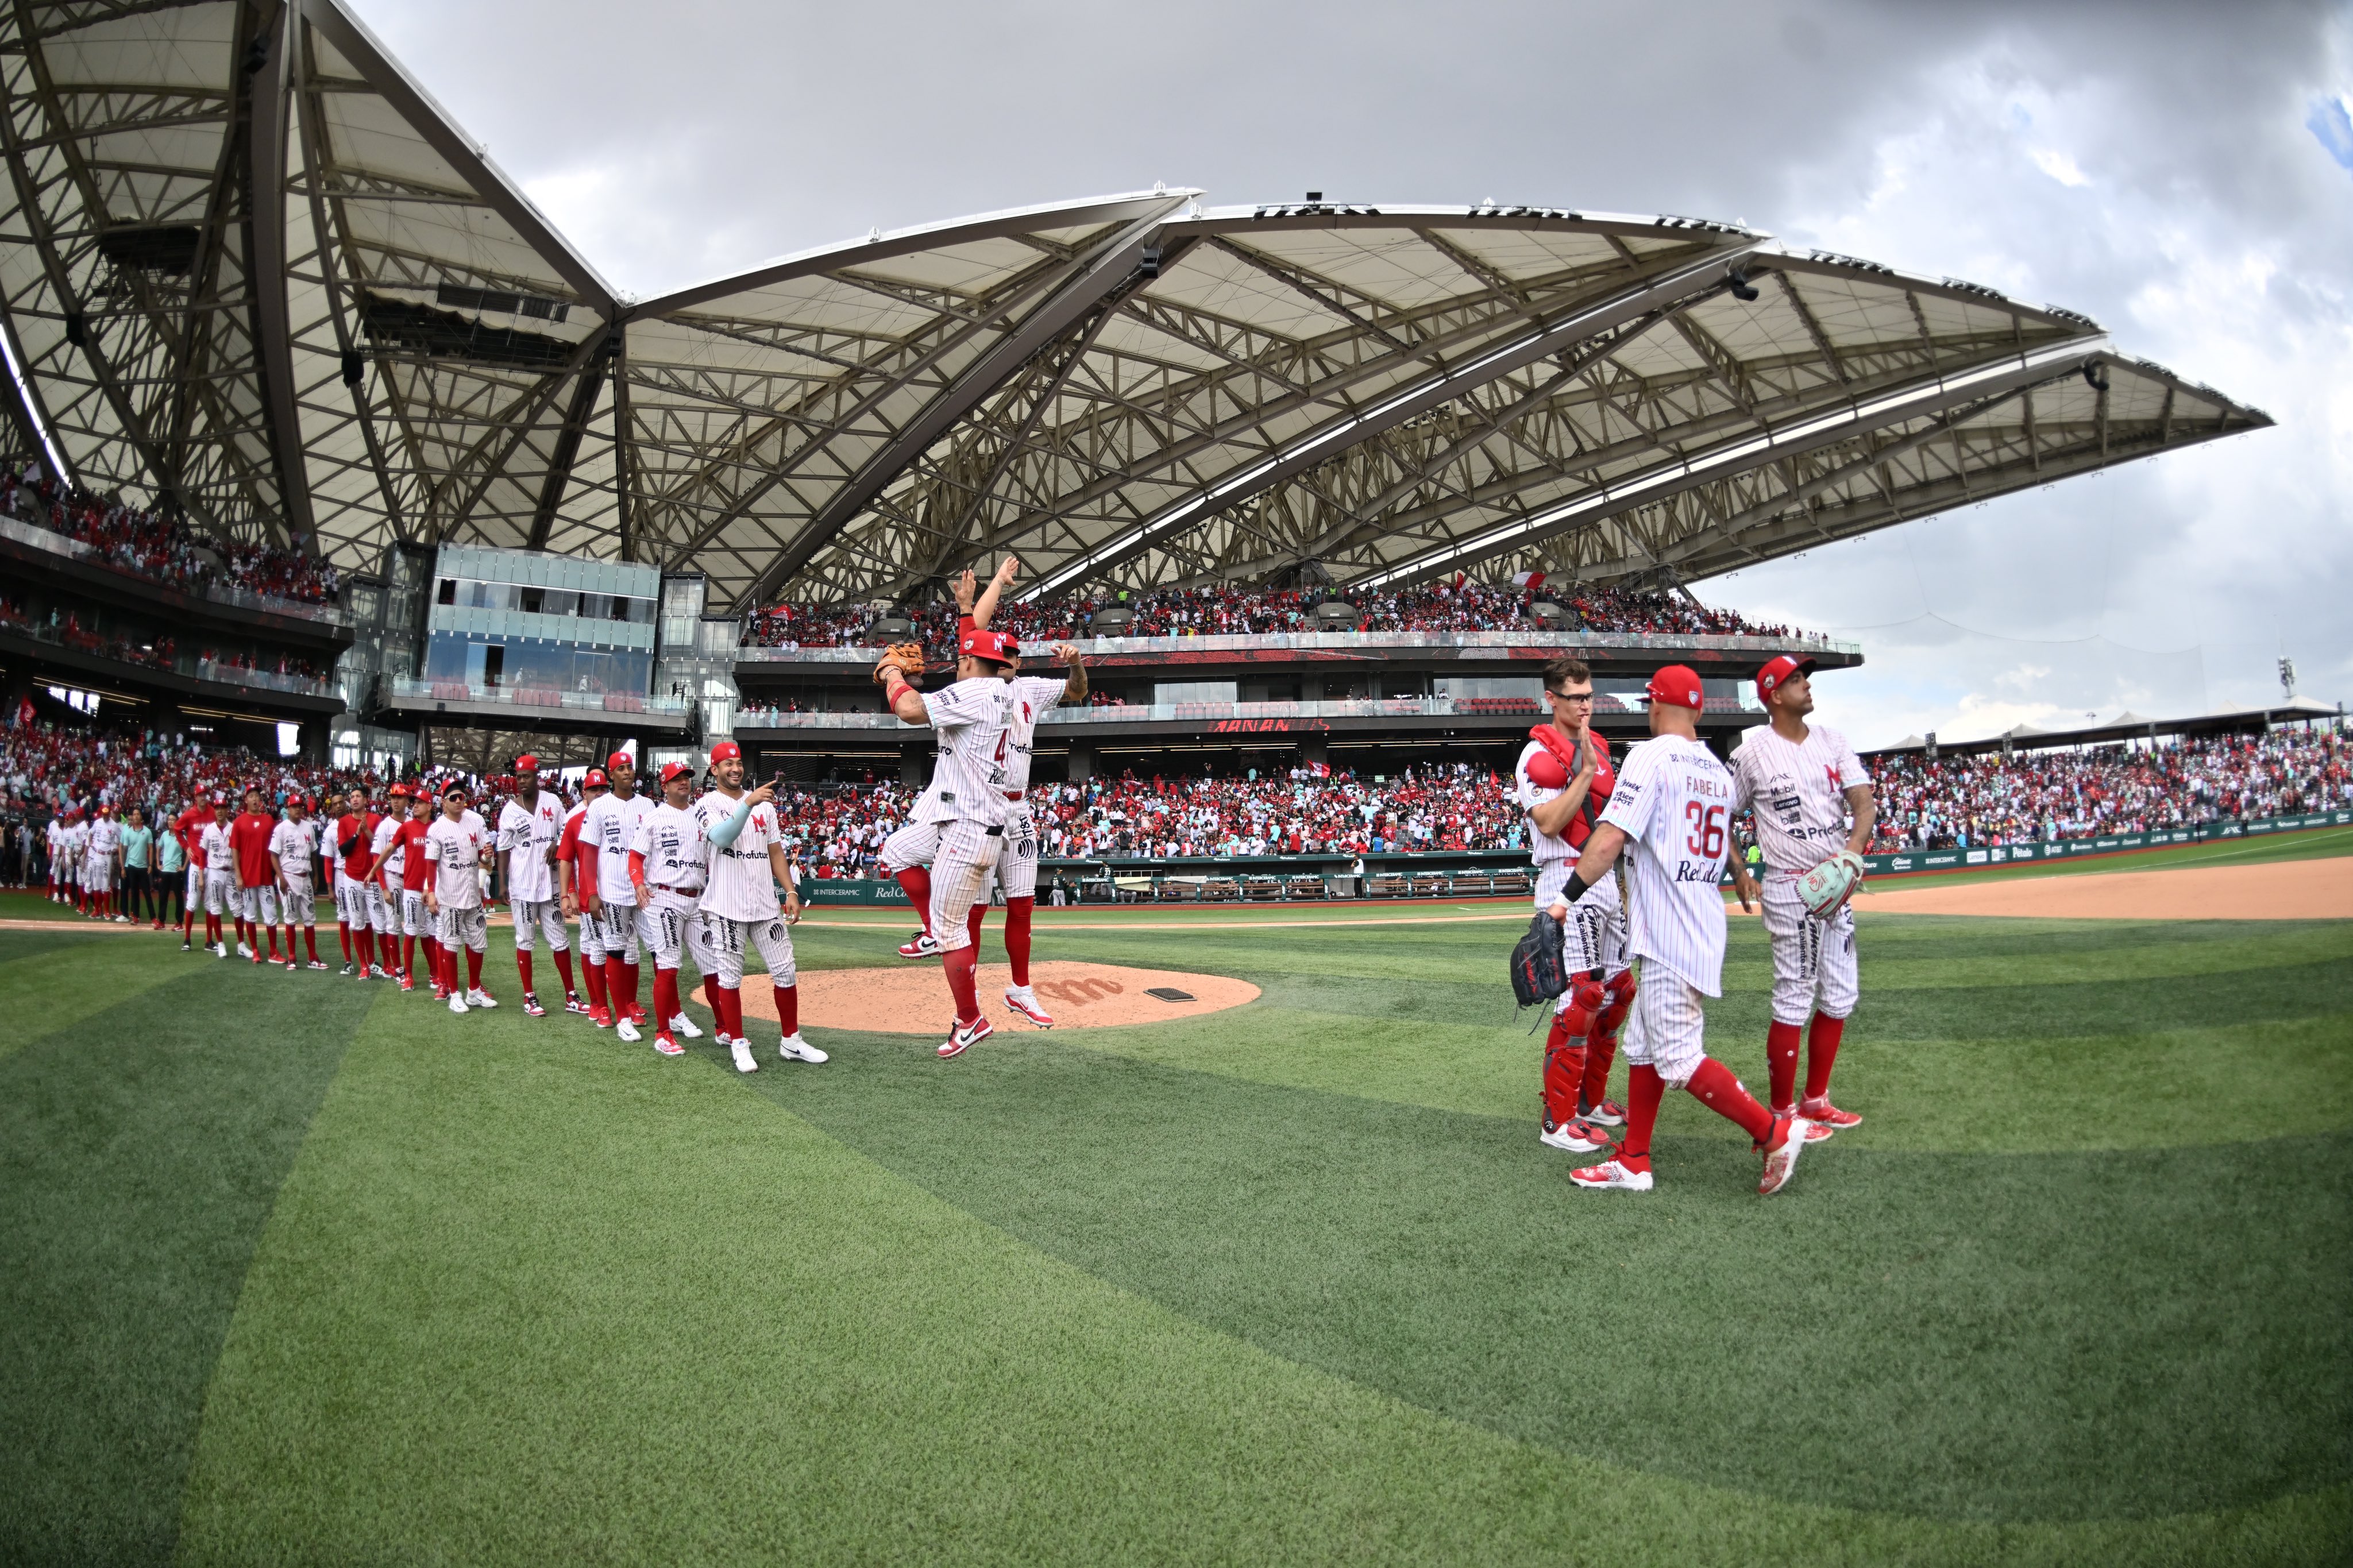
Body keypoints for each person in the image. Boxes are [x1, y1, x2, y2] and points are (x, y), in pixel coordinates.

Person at [1549, 665, 1813, 1195]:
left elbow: (1610, 839)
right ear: (1696, 709)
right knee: (1643, 1047)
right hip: (1697, 920)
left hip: (1669, 928)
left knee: (1677, 1057)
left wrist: (1562, 901)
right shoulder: (1715, 770)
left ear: (1654, 705)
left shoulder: (1650, 756)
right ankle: (1634, 1160)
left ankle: (1773, 1132)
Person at [1727, 654, 1876, 1133]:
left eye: (1805, 677)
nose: (1807, 685)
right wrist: (1740, 869)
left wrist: (1852, 851)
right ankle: (1783, 1113)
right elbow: (1721, 815)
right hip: (1791, 884)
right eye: (1796, 680)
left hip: (1838, 878)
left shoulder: (1833, 740)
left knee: (1839, 996)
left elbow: (1864, 800)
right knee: (1794, 995)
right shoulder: (1752, 754)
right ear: (1773, 694)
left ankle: (1815, 1100)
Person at [877, 620, 1025, 1059]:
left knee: (951, 931)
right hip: (960, 817)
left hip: (969, 826)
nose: (957, 665)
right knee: (897, 849)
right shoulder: (1000, 691)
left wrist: (892, 675)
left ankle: (970, 1019)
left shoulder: (978, 692)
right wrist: (966, 610)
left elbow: (908, 711)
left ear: (968, 661)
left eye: (962, 659)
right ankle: (930, 931)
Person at [956, 557, 1089, 1028]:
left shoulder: (1030, 686)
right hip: (977, 810)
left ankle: (1020, 989)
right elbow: (972, 633)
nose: (1006, 659)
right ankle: (965, 994)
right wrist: (977, 599)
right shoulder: (972, 688)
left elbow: (1076, 694)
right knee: (971, 910)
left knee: (1022, 903)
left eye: (1012, 653)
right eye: (1000, 653)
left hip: (1019, 808)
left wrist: (1077, 665)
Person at [1514, 655, 1636, 1156]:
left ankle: (1590, 1101)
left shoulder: (1604, 747)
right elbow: (1547, 822)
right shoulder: (1535, 755)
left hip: (1610, 881)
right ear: (1552, 699)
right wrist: (1584, 774)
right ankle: (1558, 1120)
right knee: (1580, 1000)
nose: (1585, 705)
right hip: (1567, 876)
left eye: (1589, 696)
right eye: (1575, 697)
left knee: (1617, 992)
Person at [692, 740, 817, 1072]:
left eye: (739, 763)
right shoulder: (706, 804)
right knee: (731, 978)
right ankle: (738, 1042)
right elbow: (721, 838)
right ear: (715, 769)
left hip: (765, 903)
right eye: (727, 764)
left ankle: (791, 1040)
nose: (735, 769)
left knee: (785, 970)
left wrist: (790, 891)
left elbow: (776, 851)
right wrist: (747, 803)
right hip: (726, 905)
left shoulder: (766, 806)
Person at [624, 761, 711, 1057]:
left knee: (712, 966)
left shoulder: (702, 815)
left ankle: (724, 1028)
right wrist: (638, 884)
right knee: (668, 964)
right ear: (665, 786)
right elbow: (635, 857)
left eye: (686, 776)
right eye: (676, 779)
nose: (683, 782)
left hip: (698, 898)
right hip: (665, 896)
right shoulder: (654, 818)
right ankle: (663, 1033)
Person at [578, 752, 655, 1040]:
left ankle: (668, 1012)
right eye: (620, 769)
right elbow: (588, 852)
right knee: (615, 950)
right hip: (612, 890)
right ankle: (621, 1015)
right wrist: (591, 893)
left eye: (629, 767)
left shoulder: (647, 805)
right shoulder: (599, 807)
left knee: (659, 949)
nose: (627, 772)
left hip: (643, 890)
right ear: (611, 775)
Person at [495, 755, 576, 1018]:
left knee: (560, 940)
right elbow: (504, 848)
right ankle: (529, 995)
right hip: (522, 886)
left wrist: (558, 843)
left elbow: (567, 829)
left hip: (550, 885)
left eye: (526, 776)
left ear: (536, 777)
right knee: (525, 940)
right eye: (518, 777)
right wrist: (504, 882)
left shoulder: (553, 801)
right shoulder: (510, 810)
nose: (521, 781)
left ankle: (571, 995)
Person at [422, 781, 496, 1013]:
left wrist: (486, 858)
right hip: (450, 897)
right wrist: (431, 892)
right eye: (452, 798)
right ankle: (454, 993)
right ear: (443, 802)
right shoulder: (437, 829)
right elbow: (431, 864)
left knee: (478, 944)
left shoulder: (476, 821)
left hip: (473, 895)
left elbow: (483, 860)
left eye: (461, 797)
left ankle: (474, 991)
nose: (457, 801)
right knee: (452, 945)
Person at [558, 769, 611, 1020]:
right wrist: (569, 893)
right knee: (593, 947)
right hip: (588, 893)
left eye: (603, 789)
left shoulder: (616, 815)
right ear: (584, 793)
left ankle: (626, 1003)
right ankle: (597, 1002)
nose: (599, 794)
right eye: (594, 789)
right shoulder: (575, 819)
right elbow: (567, 859)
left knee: (624, 949)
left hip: (616, 893)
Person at [330, 785, 382, 976]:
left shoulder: (376, 819)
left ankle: (376, 961)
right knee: (357, 923)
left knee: (379, 923)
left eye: (358, 796)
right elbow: (344, 851)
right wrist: (357, 833)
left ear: (366, 800)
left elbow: (379, 847)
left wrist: (367, 831)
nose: (354, 799)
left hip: (372, 878)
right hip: (351, 878)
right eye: (352, 797)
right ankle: (363, 966)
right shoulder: (344, 822)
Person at [270, 795, 326, 970]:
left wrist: (316, 875)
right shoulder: (281, 829)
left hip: (306, 876)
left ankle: (312, 958)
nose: (297, 809)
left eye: (300, 806)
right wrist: (281, 877)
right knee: (291, 918)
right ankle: (292, 957)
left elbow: (314, 853)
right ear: (288, 809)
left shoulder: (308, 827)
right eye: (294, 806)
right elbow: (273, 855)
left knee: (310, 918)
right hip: (289, 876)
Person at [389, 788, 436, 994]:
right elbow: (389, 850)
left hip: (432, 890)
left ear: (429, 806)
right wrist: (375, 870)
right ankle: (408, 976)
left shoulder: (436, 828)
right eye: (414, 802)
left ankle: (435, 974)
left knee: (431, 935)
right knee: (411, 934)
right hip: (411, 890)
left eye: (419, 802)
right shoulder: (406, 827)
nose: (414, 805)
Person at [229, 788, 281, 963]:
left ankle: (273, 951)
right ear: (246, 800)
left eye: (257, 796)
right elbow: (235, 850)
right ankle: (256, 950)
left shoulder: (268, 821)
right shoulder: (239, 822)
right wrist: (238, 875)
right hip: (248, 877)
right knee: (250, 914)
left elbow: (275, 849)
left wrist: (277, 872)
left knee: (271, 914)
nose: (254, 799)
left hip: (266, 875)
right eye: (251, 796)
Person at [199, 795, 235, 957]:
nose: (220, 811)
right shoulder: (208, 830)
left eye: (222, 808)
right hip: (214, 871)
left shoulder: (234, 828)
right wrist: (201, 875)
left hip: (231, 870)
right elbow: (202, 854)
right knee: (215, 907)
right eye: (217, 808)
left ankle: (241, 944)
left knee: (238, 908)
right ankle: (220, 943)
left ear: (227, 810)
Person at [155, 801, 186, 935]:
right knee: (163, 896)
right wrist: (158, 863)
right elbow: (159, 848)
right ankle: (161, 921)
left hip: (176, 871)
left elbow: (189, 851)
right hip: (166, 870)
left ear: (177, 822)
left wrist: (184, 867)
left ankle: (179, 922)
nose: (170, 822)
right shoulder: (164, 835)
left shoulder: (181, 837)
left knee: (179, 897)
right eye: (169, 820)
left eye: (173, 820)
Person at [86, 805, 121, 921]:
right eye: (103, 814)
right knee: (96, 882)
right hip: (97, 854)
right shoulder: (97, 823)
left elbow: (121, 839)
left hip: (107, 855)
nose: (105, 816)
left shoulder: (114, 825)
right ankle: (97, 910)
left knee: (106, 883)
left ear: (109, 814)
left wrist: (116, 848)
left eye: (107, 814)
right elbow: (90, 833)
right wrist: (91, 843)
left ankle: (106, 911)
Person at [120, 806, 153, 925]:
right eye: (134, 815)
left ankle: (153, 918)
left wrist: (150, 864)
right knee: (134, 893)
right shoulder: (128, 832)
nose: (136, 816)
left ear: (141, 817)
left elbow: (150, 848)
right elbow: (124, 849)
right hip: (132, 866)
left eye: (138, 814)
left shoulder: (147, 832)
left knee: (147, 893)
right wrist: (123, 867)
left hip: (143, 866)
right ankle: (136, 917)